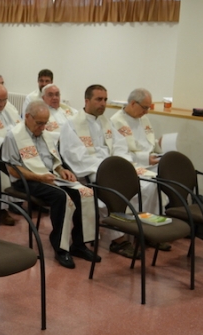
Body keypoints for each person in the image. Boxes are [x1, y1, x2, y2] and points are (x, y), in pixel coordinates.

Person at [59, 84, 160, 258]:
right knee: (112, 193)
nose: (103, 103)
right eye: (99, 99)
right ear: (87, 100)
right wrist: (107, 169)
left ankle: (143, 231)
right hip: (90, 173)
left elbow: (120, 147)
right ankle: (119, 240)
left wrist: (121, 166)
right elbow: (75, 156)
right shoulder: (71, 125)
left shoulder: (106, 123)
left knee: (149, 185)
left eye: (105, 99)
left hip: (112, 169)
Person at [2, 100, 100, 269]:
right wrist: (38, 177)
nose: (42, 127)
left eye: (45, 123)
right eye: (39, 123)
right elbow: (12, 169)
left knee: (85, 192)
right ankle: (61, 248)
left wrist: (62, 170)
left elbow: (54, 161)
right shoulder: (14, 136)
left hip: (49, 177)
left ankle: (79, 244)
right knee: (61, 197)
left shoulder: (46, 134)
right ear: (27, 117)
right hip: (26, 180)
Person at [110, 88, 163, 167]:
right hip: (135, 164)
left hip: (153, 159)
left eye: (148, 108)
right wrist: (145, 159)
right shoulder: (116, 122)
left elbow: (147, 144)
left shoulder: (143, 118)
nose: (146, 112)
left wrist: (159, 144)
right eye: (145, 107)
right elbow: (120, 153)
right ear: (133, 103)